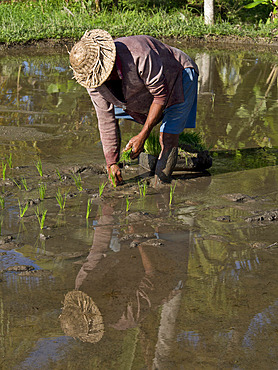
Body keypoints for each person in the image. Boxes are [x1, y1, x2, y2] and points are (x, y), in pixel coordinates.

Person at [69, 29, 199, 185]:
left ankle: (161, 188)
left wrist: (142, 135)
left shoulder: (140, 54)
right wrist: (112, 162)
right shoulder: (93, 80)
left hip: (179, 76)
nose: (104, 80)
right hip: (143, 91)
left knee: (168, 136)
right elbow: (105, 118)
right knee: (123, 114)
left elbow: (160, 96)